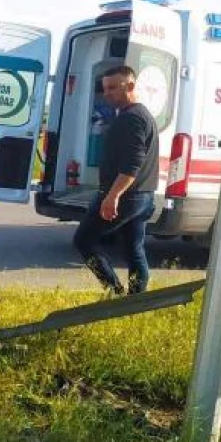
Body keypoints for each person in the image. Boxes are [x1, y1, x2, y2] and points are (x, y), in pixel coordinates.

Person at [73, 65, 160, 295]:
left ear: (130, 86)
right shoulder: (141, 115)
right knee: (133, 249)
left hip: (127, 196)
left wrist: (112, 196)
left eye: (113, 88)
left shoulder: (132, 119)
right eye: (105, 89)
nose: (107, 93)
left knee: (84, 240)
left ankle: (114, 291)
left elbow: (132, 164)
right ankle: (136, 298)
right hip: (142, 196)